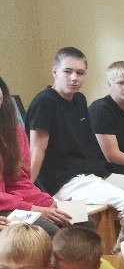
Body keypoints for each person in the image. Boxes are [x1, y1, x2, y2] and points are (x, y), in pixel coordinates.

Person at [25, 47, 124, 220]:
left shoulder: (79, 99)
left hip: (91, 174)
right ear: (54, 71)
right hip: (65, 181)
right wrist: (27, 191)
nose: (74, 77)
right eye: (68, 71)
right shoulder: (44, 102)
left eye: (79, 73)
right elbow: (37, 150)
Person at [0, 75, 71, 233]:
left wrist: (47, 203)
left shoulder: (12, 129)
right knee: (50, 232)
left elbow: (18, 180)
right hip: (5, 208)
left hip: (12, 204)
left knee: (80, 222)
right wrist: (33, 209)